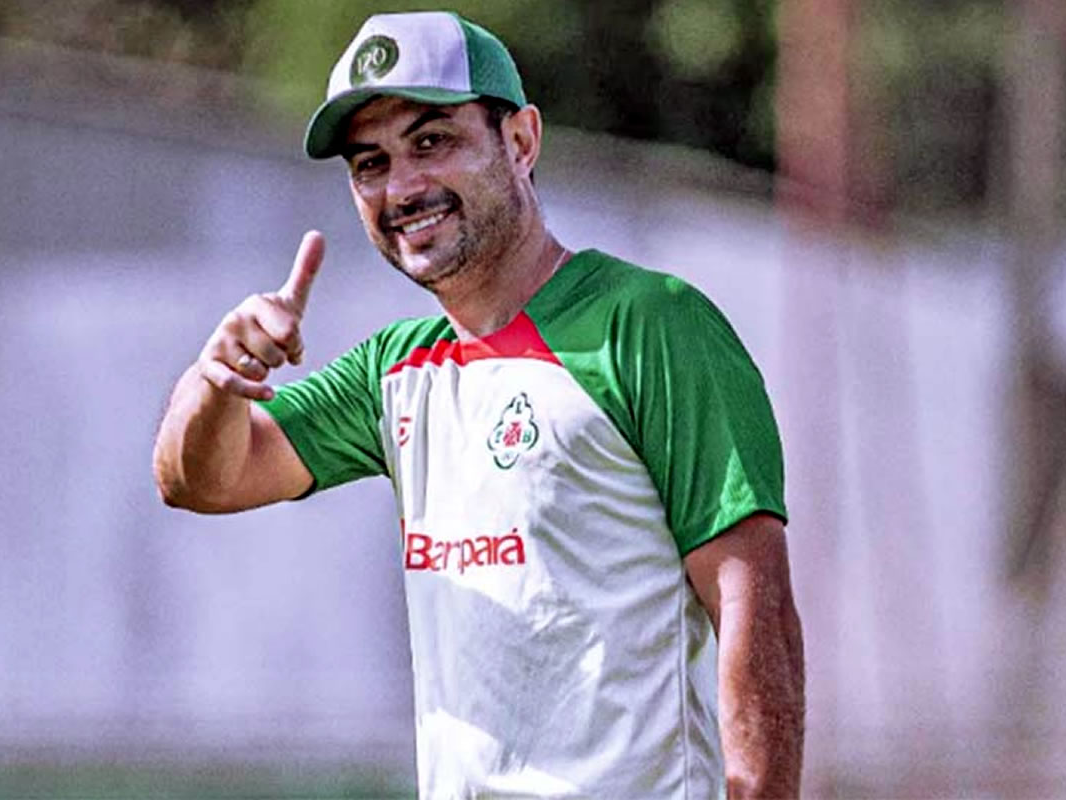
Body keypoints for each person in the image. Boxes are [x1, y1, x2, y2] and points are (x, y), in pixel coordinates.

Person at [153, 10, 804, 799]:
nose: (402, 187)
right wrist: (214, 379)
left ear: (521, 142)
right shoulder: (395, 370)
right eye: (370, 163)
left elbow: (752, 606)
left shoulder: (650, 323)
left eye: (432, 142)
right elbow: (203, 479)